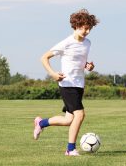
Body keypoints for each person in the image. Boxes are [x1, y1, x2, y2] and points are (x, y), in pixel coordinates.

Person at [34, 9, 99, 156]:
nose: (87, 31)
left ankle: (41, 123)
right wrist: (53, 74)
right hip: (67, 84)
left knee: (69, 120)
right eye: (84, 27)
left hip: (79, 85)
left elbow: (79, 62)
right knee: (80, 115)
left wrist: (88, 66)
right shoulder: (66, 43)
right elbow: (44, 57)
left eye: (89, 28)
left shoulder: (87, 43)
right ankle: (70, 149)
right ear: (76, 25)